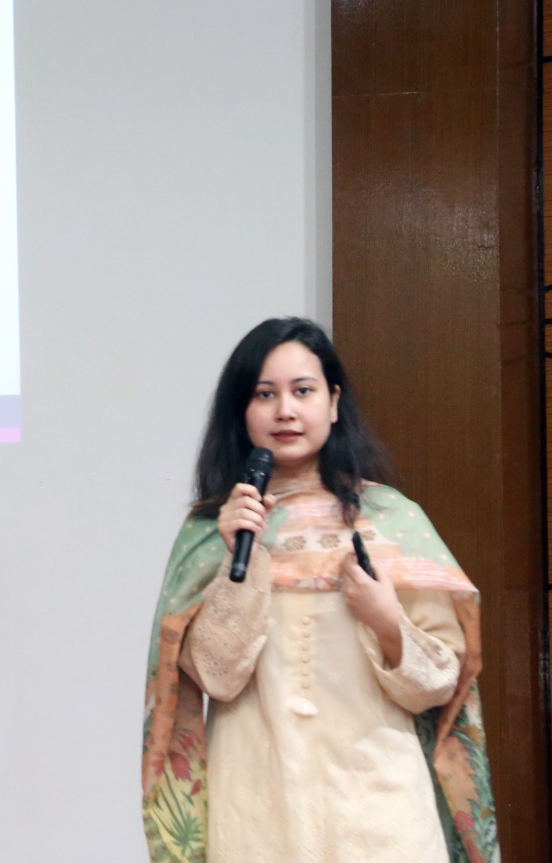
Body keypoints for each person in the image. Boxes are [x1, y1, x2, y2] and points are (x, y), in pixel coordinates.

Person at [140, 317, 498, 863]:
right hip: (255, 808)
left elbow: (438, 686)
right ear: (242, 411)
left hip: (380, 808)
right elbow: (216, 678)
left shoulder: (392, 522)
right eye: (265, 394)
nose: (285, 410)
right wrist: (241, 556)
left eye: (303, 391)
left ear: (333, 402)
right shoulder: (213, 530)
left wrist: (386, 620)